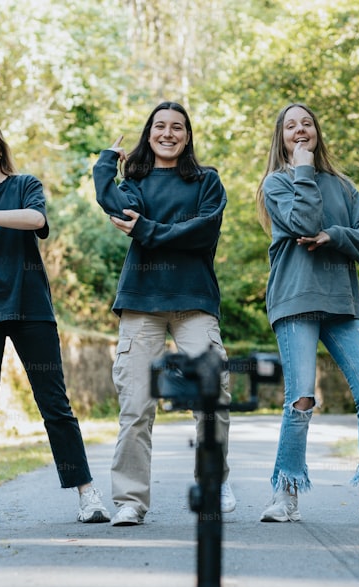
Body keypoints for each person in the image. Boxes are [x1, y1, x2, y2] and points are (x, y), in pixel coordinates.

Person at [0, 115, 109, 529]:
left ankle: (87, 494)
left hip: (29, 304)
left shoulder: (24, 185)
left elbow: (34, 220)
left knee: (55, 405)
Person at [254, 103, 359, 526]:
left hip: (342, 304)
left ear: (317, 131)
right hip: (295, 300)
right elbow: (304, 220)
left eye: (306, 123)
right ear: (282, 138)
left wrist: (335, 235)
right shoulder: (276, 184)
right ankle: (286, 493)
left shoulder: (344, 187)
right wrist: (303, 170)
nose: (300, 129)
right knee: (301, 399)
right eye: (291, 126)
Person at [92, 101, 235, 526]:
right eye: (160, 127)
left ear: (188, 136)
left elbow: (203, 230)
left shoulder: (207, 181)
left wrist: (148, 230)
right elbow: (115, 205)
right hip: (141, 302)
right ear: (149, 133)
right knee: (136, 406)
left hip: (194, 303)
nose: (168, 133)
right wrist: (105, 165)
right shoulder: (135, 180)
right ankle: (130, 501)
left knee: (213, 396)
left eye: (177, 127)